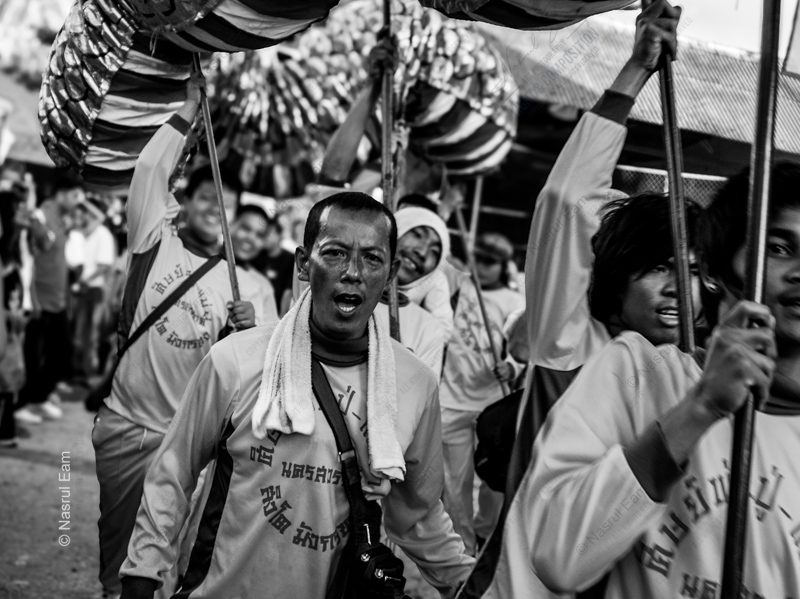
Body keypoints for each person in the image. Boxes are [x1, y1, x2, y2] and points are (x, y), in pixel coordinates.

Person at [119, 192, 474, 599]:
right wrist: (141, 574)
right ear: (304, 263)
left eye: (372, 259)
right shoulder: (235, 361)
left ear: (391, 273)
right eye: (335, 253)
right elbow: (173, 472)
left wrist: (470, 582)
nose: (353, 273)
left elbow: (419, 515)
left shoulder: (414, 384)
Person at [461, 2, 702, 596]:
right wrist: (636, 68)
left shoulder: (703, 381)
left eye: (693, 271)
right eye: (657, 268)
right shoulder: (571, 343)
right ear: (615, 279)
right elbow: (568, 200)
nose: (679, 286)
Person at [513, 161, 800, 598]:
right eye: (778, 247)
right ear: (718, 270)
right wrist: (700, 408)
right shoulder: (638, 374)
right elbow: (558, 556)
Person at [92, 75, 256, 599]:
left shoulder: (241, 284)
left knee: (165, 562)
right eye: (206, 197)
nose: (215, 208)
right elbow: (149, 171)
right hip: (125, 428)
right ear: (185, 201)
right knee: (118, 558)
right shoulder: (153, 241)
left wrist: (250, 332)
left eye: (223, 203)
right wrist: (186, 111)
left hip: (185, 445)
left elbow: (248, 375)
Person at [439, 232, 525, 555]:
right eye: (479, 259)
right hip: (450, 399)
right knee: (455, 481)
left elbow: (522, 349)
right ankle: (463, 547)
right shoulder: (460, 285)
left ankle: (486, 532)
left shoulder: (514, 302)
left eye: (490, 262)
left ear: (503, 265)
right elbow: (440, 262)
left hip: (491, 403)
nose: (483, 266)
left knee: (493, 477)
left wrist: (511, 367)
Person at [14, 171, 83, 424]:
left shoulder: (61, 219)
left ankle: (39, 397)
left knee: (60, 355)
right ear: (61, 194)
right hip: (39, 301)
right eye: (74, 196)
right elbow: (35, 251)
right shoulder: (41, 215)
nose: (77, 201)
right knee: (33, 356)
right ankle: (23, 403)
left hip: (57, 301)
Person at [71, 197, 116, 382]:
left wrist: (84, 280)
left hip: (95, 291)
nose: (83, 215)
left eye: (86, 212)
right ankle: (79, 371)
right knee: (79, 331)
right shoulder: (83, 233)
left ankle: (89, 373)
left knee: (92, 334)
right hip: (82, 289)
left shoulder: (103, 234)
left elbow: (104, 266)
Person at [395, 206, 455, 339]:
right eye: (417, 235)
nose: (422, 252)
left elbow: (442, 333)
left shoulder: (434, 280)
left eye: (434, 251)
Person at [231, 204, 279, 325]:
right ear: (230, 224)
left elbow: (270, 332)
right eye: (245, 229)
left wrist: (251, 326)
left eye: (259, 235)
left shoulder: (264, 286)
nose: (251, 238)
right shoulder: (197, 259)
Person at [252, 212, 295, 316]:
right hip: (255, 312)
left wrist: (282, 317)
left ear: (279, 235)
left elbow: (288, 292)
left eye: (269, 233)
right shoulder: (256, 256)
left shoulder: (290, 259)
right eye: (263, 233)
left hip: (275, 314)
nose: (264, 237)